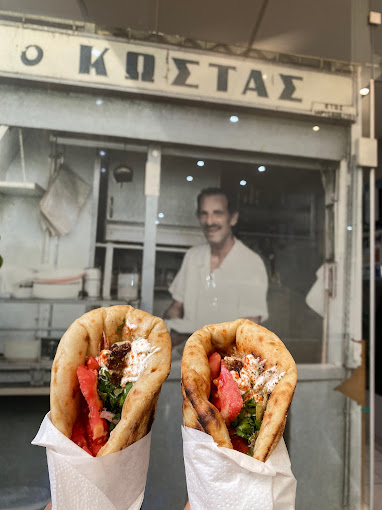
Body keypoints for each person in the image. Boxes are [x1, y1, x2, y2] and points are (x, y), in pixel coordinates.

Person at [164, 187, 268, 354]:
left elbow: (249, 329)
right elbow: (176, 307)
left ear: (233, 218)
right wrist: (169, 328)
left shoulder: (251, 263)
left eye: (217, 213)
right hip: (189, 356)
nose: (209, 221)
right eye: (204, 214)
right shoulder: (192, 257)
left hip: (227, 364)